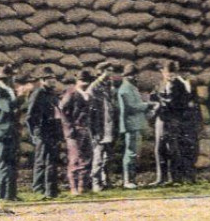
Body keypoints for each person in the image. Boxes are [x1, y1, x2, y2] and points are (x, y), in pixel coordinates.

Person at [153, 61, 201, 185]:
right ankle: (161, 178)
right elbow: (153, 96)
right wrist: (156, 105)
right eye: (168, 73)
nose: (170, 76)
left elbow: (183, 104)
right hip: (160, 120)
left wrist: (166, 103)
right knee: (160, 149)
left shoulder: (180, 85)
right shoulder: (160, 84)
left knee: (173, 149)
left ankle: (175, 178)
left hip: (173, 120)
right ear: (162, 72)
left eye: (172, 73)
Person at [25, 68, 62, 198]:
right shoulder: (38, 94)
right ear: (42, 80)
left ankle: (51, 190)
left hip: (53, 131)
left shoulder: (52, 94)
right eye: (49, 79)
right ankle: (39, 189)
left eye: (53, 78)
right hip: (42, 131)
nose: (52, 81)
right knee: (42, 161)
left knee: (51, 161)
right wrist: (34, 134)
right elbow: (29, 117)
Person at [57, 70, 95, 196]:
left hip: (85, 129)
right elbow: (63, 112)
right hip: (75, 131)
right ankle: (73, 188)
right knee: (75, 159)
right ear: (77, 81)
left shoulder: (87, 95)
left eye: (87, 81)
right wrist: (69, 130)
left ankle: (82, 187)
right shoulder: (71, 94)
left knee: (87, 158)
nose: (84, 83)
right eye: (82, 81)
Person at [0, 62, 21, 201]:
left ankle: (10, 195)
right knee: (2, 164)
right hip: (3, 132)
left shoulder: (9, 91)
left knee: (12, 163)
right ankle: (0, 195)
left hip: (12, 131)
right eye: (11, 77)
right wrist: (21, 97)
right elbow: (7, 107)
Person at [114, 63, 148, 189]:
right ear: (127, 76)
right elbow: (132, 107)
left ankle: (131, 179)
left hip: (135, 124)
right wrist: (147, 105)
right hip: (131, 125)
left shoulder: (131, 87)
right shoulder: (126, 88)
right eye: (132, 75)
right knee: (131, 153)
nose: (135, 77)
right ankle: (128, 180)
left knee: (134, 153)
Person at [87, 63, 117, 192]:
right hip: (99, 126)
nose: (110, 73)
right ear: (100, 72)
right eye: (107, 71)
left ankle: (106, 180)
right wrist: (94, 130)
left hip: (109, 125)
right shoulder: (94, 87)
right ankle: (96, 182)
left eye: (111, 71)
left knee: (108, 156)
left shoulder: (109, 86)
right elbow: (90, 112)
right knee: (98, 156)